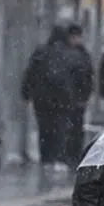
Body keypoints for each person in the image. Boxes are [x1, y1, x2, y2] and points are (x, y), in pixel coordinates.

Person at [21, 25, 76, 172]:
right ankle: (58, 158)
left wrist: (26, 93)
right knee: (60, 128)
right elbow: (80, 76)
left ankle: (46, 159)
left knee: (44, 129)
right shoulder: (69, 53)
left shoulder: (40, 52)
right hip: (62, 98)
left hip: (42, 98)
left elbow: (30, 73)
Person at [64, 23, 95, 168]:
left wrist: (85, 96)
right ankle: (71, 155)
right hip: (69, 98)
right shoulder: (74, 55)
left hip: (77, 98)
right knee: (70, 128)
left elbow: (88, 77)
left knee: (76, 128)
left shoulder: (82, 55)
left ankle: (74, 155)